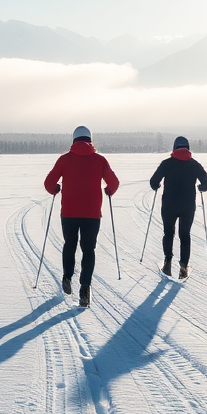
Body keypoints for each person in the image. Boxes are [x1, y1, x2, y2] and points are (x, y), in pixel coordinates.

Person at [44, 126, 120, 307]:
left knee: (69, 244)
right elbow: (114, 183)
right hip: (92, 215)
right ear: (90, 140)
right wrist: (108, 190)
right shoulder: (100, 160)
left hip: (69, 213)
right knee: (88, 249)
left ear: (74, 140)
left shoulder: (64, 160)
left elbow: (48, 183)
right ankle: (85, 288)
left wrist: (56, 189)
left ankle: (67, 277)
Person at [149, 136, 207, 280]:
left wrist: (156, 185)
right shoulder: (194, 164)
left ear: (174, 148)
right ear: (188, 148)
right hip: (187, 206)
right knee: (185, 235)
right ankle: (183, 267)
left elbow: (153, 181)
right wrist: (201, 187)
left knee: (168, 233)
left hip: (169, 205)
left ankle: (167, 262)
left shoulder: (166, 164)